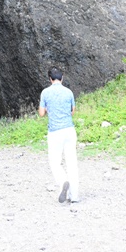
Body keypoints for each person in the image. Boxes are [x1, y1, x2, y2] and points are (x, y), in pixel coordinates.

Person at [38, 67, 79, 204]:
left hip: (55, 132)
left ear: (50, 79)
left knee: (55, 162)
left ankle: (63, 182)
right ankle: (75, 196)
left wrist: (49, 109)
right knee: (71, 162)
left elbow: (42, 113)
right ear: (62, 78)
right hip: (69, 130)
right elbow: (72, 111)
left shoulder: (45, 92)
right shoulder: (69, 92)